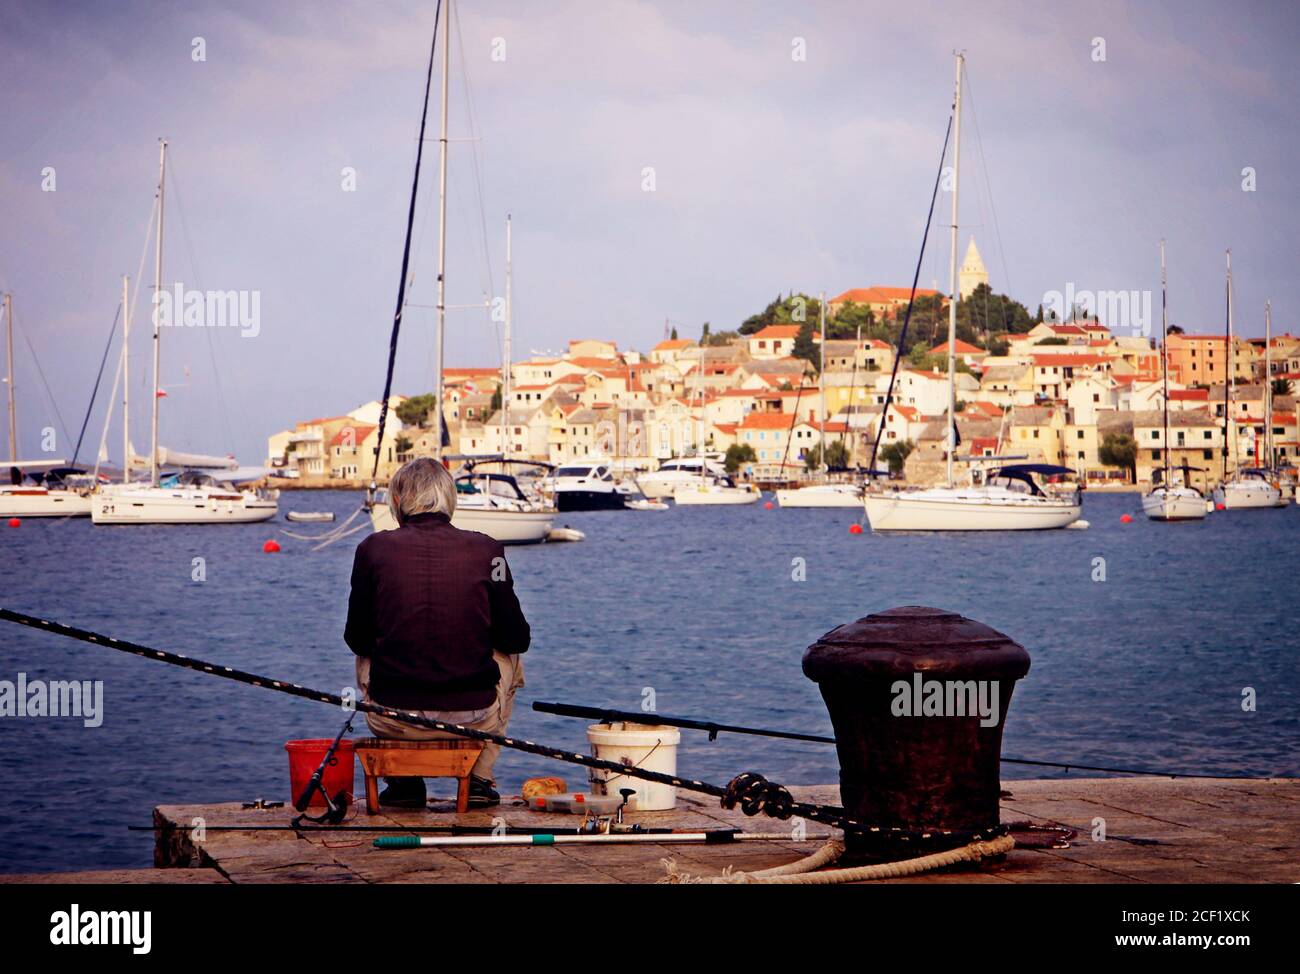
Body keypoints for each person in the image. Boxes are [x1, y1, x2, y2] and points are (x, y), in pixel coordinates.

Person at [344, 457, 530, 808]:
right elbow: (517, 638)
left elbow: (357, 638)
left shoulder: (371, 550)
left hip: (393, 719)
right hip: (473, 716)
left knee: (368, 649)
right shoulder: (489, 550)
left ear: (397, 502)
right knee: (510, 658)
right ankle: (479, 778)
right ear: (450, 498)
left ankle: (403, 783)